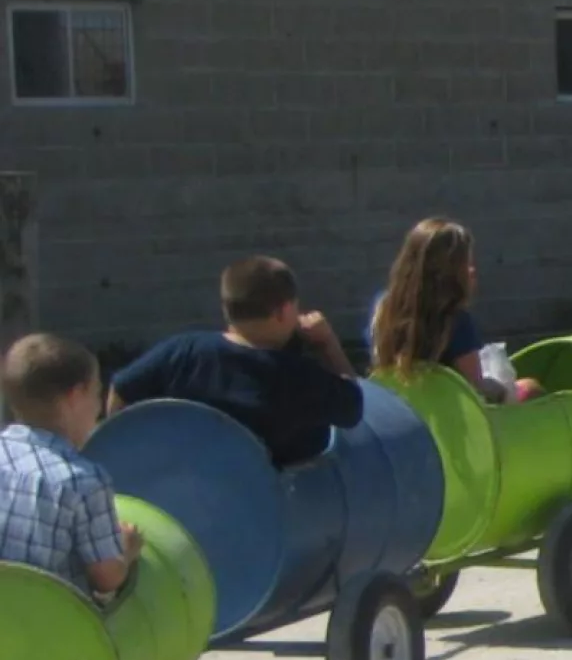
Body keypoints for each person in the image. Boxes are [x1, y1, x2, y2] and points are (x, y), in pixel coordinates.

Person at [108, 256, 365, 468]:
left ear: (226, 307)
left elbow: (121, 390)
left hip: (189, 492)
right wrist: (328, 345)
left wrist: (136, 460)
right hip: (269, 509)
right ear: (283, 311)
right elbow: (355, 409)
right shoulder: (299, 377)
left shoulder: (182, 352)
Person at [2, 333, 141, 600]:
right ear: (75, 396)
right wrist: (128, 548)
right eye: (98, 393)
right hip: (47, 625)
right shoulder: (82, 479)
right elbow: (107, 578)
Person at [364, 217, 543, 405]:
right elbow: (476, 388)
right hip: (449, 415)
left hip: (399, 406)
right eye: (466, 264)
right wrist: (501, 386)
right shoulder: (455, 321)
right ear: (451, 273)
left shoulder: (383, 309)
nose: (472, 270)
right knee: (531, 388)